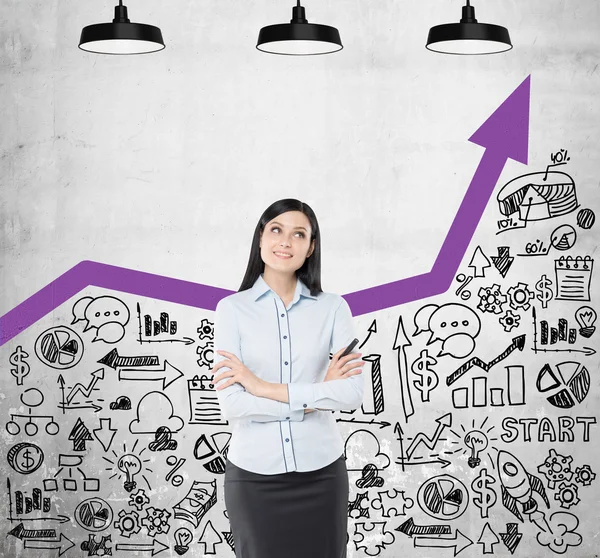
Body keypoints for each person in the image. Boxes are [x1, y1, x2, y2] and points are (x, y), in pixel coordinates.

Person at [211, 198, 365, 558]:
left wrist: (262, 387)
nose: (286, 241)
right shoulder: (231, 311)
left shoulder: (333, 308)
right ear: (261, 239)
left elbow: (351, 395)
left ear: (311, 247)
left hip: (322, 473)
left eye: (299, 234)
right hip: (253, 476)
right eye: (276, 230)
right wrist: (314, 398)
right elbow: (233, 404)